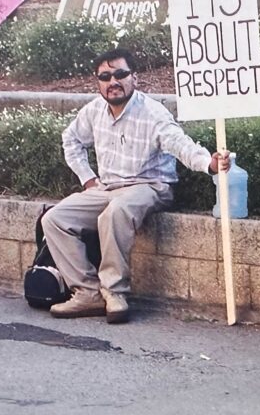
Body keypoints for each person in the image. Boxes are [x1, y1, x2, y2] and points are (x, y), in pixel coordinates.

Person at [44, 48, 230, 324]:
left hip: (151, 186)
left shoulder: (153, 113)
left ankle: (115, 293)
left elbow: (181, 145)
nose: (113, 82)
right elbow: (71, 140)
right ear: (98, 83)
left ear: (135, 78)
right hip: (107, 188)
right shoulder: (94, 110)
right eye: (105, 77)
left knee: (116, 211)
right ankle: (87, 292)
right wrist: (88, 179)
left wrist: (209, 164)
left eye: (120, 74)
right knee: (55, 219)